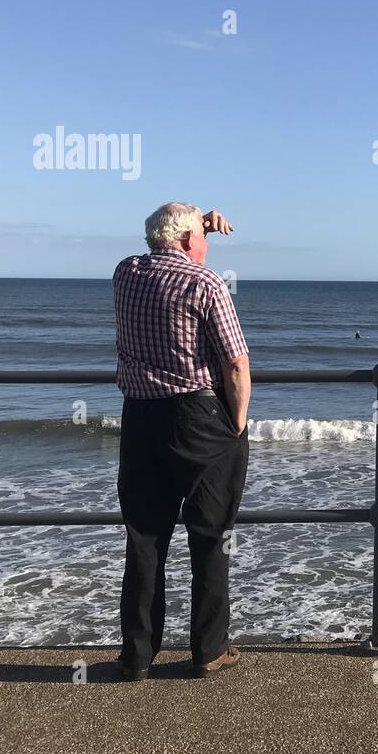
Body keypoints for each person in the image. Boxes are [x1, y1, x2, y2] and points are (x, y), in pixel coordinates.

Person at [112, 202, 251, 680]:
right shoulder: (204, 282)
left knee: (146, 537)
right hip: (197, 418)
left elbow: (163, 241)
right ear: (191, 240)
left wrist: (195, 223)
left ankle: (136, 657)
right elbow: (235, 363)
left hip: (140, 418)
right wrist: (236, 421)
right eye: (203, 236)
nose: (208, 243)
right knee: (211, 535)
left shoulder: (125, 273)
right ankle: (209, 650)